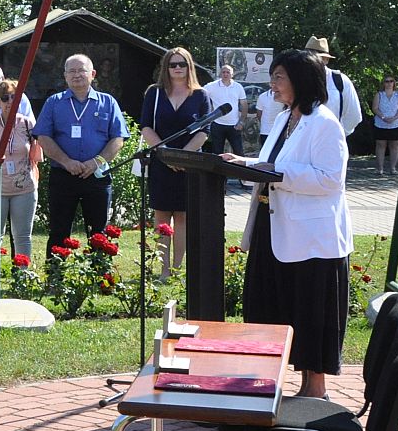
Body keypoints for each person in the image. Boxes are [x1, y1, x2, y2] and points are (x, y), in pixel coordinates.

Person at [226, 49, 351, 400]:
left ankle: (314, 390)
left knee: (310, 310)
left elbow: (330, 180)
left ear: (301, 80)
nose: (273, 83)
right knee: (267, 304)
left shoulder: (325, 123)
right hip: (273, 227)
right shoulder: (284, 118)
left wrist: (275, 174)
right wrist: (242, 161)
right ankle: (266, 383)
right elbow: (272, 163)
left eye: (279, 76)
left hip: (311, 239)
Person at [35, 54, 129, 249]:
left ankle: (100, 278)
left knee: (98, 232)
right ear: (65, 75)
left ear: (92, 74)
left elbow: (118, 139)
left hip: (96, 175)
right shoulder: (54, 102)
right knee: (58, 230)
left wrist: (96, 162)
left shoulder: (108, 102)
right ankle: (55, 277)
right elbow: (43, 137)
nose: (76, 75)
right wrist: (67, 162)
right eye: (72, 71)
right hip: (63, 174)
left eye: (81, 70)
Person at [140, 46, 210, 278]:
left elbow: (204, 131)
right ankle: (163, 270)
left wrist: (184, 156)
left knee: (183, 217)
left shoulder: (200, 95)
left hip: (188, 165)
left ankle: (178, 268)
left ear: (189, 67)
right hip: (161, 162)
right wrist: (166, 153)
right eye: (173, 64)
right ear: (166, 68)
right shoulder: (155, 92)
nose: (178, 68)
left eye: (182, 64)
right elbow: (146, 126)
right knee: (162, 218)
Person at [0, 78, 42, 260]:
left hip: (24, 189)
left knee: (22, 237)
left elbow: (36, 157)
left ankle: (21, 279)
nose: (10, 102)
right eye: (5, 98)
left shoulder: (28, 124)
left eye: (14, 97)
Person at [305, 36, 364, 138]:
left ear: (325, 60)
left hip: (331, 141)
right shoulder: (297, 80)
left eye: (315, 58)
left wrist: (337, 134)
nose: (310, 62)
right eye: (307, 58)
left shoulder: (340, 80)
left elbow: (354, 116)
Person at [203, 60, 248, 158]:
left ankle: (240, 172)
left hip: (234, 125)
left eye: (228, 72)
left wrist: (241, 122)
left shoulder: (238, 87)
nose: (225, 74)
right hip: (217, 124)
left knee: (239, 152)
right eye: (223, 72)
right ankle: (217, 173)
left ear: (232, 74)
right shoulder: (212, 86)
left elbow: (244, 105)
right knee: (217, 154)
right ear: (220, 74)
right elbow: (200, 93)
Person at [372, 76, 398, 174]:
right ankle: (380, 169)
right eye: (387, 81)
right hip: (381, 124)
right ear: (383, 83)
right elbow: (375, 108)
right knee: (380, 145)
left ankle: (393, 168)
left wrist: (394, 118)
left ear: (394, 83)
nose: (389, 83)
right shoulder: (379, 95)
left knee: (395, 145)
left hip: (396, 124)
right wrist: (383, 117)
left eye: (391, 81)